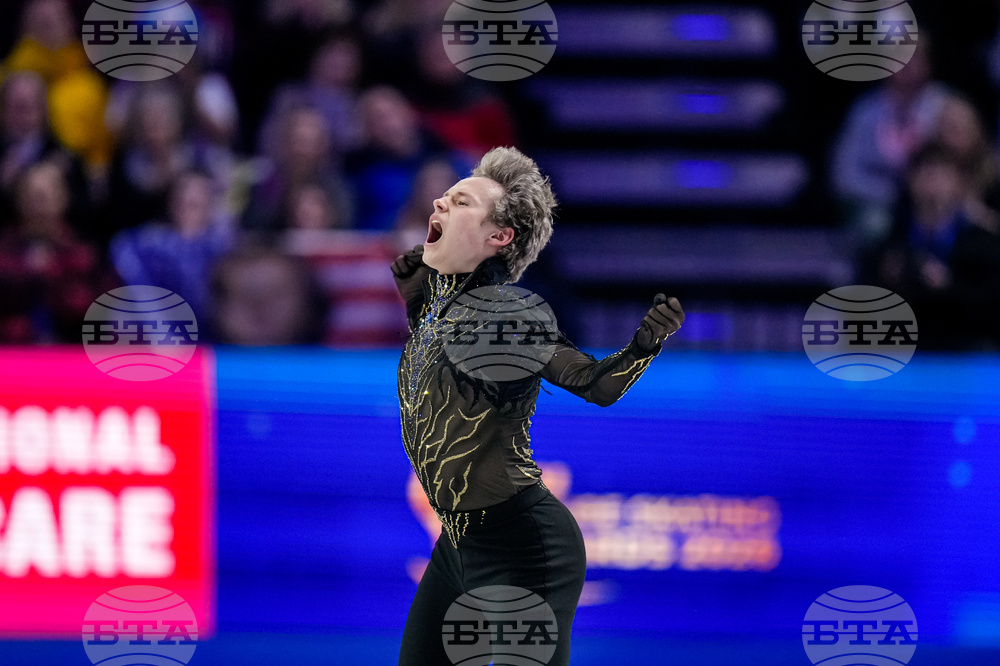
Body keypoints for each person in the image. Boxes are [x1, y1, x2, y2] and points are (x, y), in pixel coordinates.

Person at [391, 146, 685, 665]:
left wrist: (642, 347)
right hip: (457, 546)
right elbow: (436, 346)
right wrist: (417, 286)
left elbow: (594, 384)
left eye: (458, 201)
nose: (438, 201)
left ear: (497, 237)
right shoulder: (440, 308)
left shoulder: (504, 316)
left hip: (525, 548)